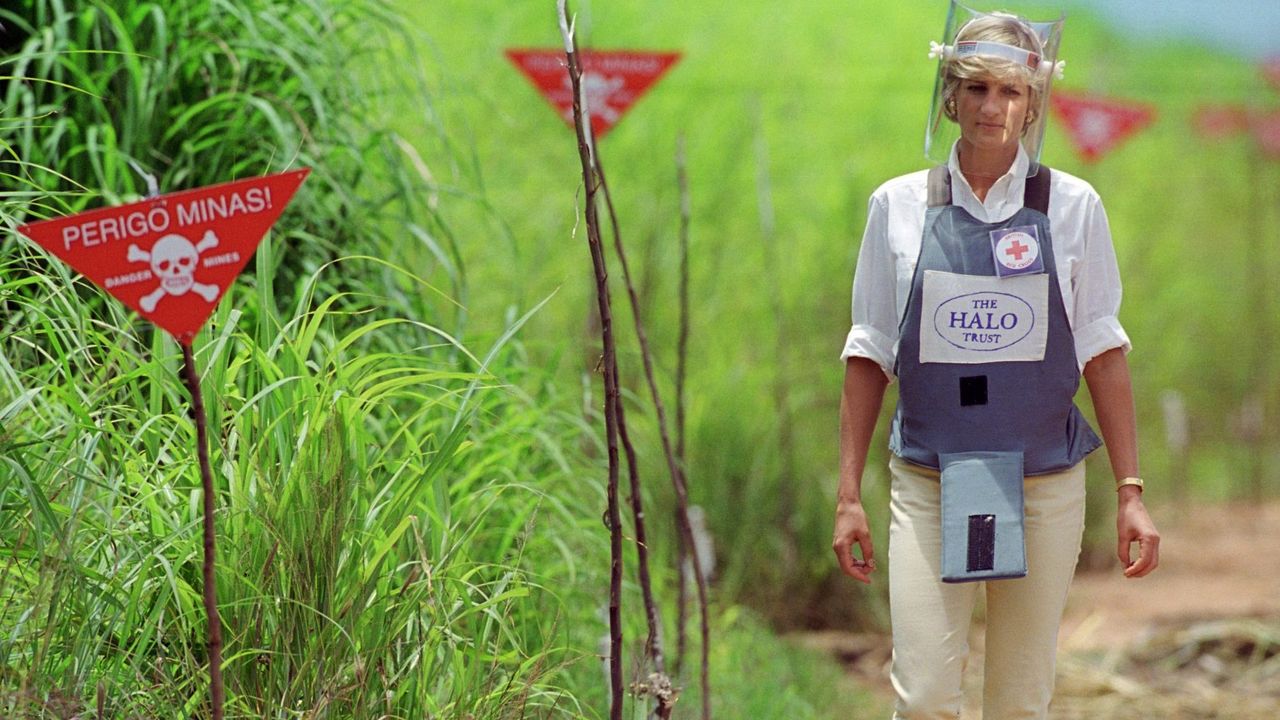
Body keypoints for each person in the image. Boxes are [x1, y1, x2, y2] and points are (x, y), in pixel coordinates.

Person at [831, 6, 1161, 718]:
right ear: (950, 95)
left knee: (1018, 696)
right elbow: (869, 351)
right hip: (928, 481)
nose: (992, 106)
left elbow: (1103, 351)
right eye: (977, 88)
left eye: (1010, 91)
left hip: (1043, 484)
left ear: (1033, 102)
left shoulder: (1072, 207)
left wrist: (1130, 491)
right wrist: (848, 493)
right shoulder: (898, 207)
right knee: (922, 697)